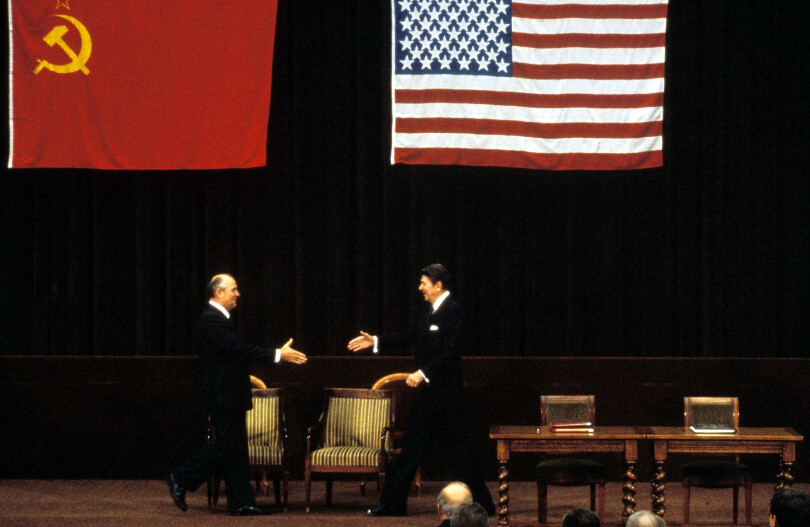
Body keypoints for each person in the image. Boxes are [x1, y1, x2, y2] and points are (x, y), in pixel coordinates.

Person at [348, 263, 495, 517]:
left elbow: (450, 354)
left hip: (447, 399)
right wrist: (376, 341)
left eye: (424, 283)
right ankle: (393, 504)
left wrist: (423, 372)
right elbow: (409, 335)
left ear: (438, 285)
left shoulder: (454, 311)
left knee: (460, 455)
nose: (420, 288)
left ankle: (486, 505)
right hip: (426, 399)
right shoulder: (429, 312)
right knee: (410, 452)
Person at [166, 274, 307, 516]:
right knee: (228, 446)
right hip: (223, 395)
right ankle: (180, 477)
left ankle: (242, 503)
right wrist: (277, 355)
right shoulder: (211, 319)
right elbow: (238, 350)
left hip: (229, 394)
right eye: (233, 289)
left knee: (236, 449)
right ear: (218, 293)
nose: (237, 294)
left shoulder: (219, 319)